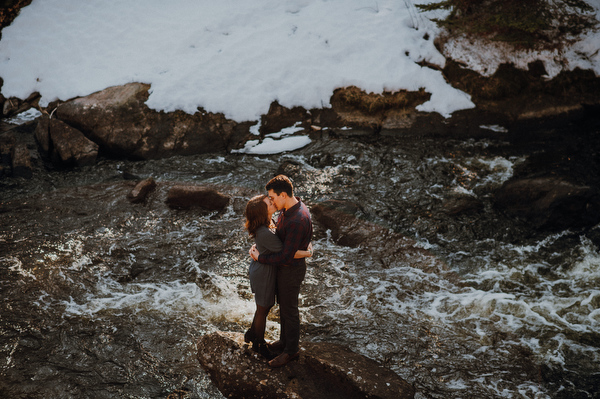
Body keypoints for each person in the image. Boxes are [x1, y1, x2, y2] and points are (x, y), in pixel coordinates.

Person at [249, 175, 313, 368]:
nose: (272, 202)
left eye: (272, 197)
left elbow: (286, 256)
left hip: (290, 271)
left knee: (290, 310)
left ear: (283, 195)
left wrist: (261, 258)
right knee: (284, 308)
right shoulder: (289, 209)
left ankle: (291, 350)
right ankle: (284, 342)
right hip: (284, 269)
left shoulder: (296, 219)